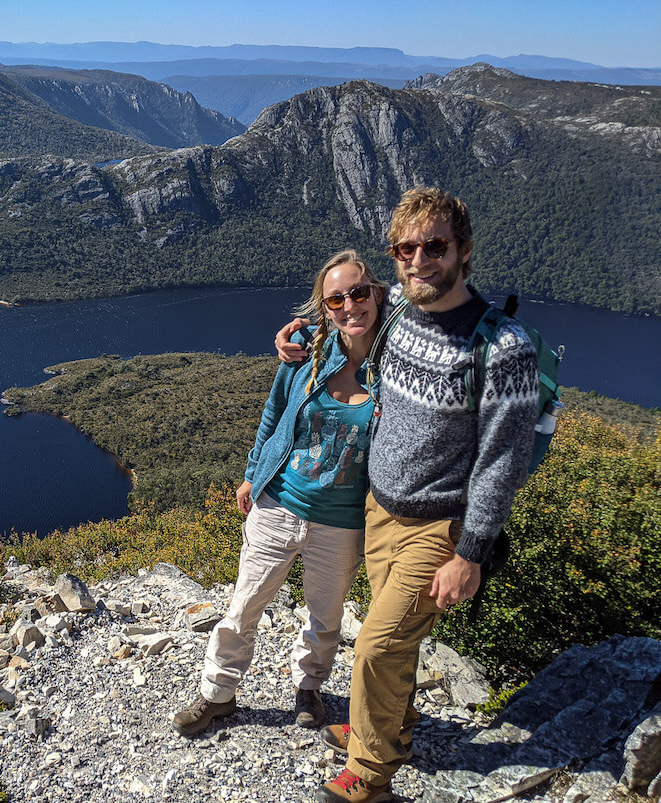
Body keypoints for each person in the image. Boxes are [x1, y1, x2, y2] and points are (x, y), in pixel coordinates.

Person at [276, 187, 539, 802]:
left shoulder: (503, 350)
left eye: (435, 246)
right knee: (397, 640)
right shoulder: (395, 311)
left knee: (374, 645)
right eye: (405, 248)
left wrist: (470, 554)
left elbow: (502, 464)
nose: (419, 259)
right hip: (379, 510)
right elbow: (346, 312)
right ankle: (392, 725)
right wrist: (294, 337)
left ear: (463, 251)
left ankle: (370, 774)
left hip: (440, 527)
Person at [172, 250, 387, 737]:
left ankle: (309, 690)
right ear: (324, 307)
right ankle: (217, 695)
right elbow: (273, 416)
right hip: (280, 503)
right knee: (243, 606)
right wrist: (252, 474)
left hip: (342, 520)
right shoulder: (306, 354)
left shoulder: (396, 368)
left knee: (325, 616)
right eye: (336, 298)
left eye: (357, 293)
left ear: (376, 294)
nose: (349, 305)